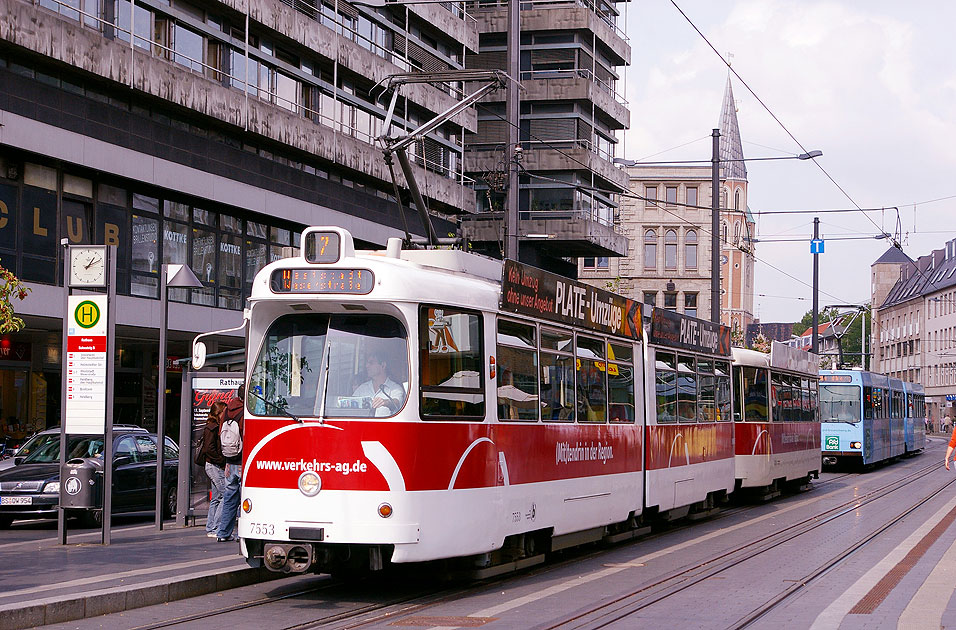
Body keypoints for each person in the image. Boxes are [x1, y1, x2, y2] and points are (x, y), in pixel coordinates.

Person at [216, 384, 244, 542]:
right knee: (245, 496)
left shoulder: (227, 410)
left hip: (229, 460)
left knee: (229, 496)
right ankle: (244, 533)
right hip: (241, 459)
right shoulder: (245, 410)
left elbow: (220, 432)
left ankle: (223, 533)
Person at [199, 401, 227, 539]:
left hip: (212, 465)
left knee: (216, 497)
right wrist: (222, 460)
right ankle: (216, 527)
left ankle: (211, 527)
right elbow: (209, 449)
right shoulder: (212, 428)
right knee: (226, 495)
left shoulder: (212, 426)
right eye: (224, 412)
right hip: (214, 465)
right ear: (219, 413)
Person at [352, 351, 405, 417]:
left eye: (371, 363)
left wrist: (386, 402)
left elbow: (397, 403)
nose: (367, 366)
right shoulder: (362, 388)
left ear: (383, 365)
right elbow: (351, 408)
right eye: (367, 363)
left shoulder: (395, 388)